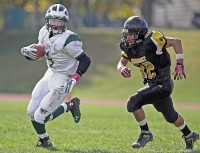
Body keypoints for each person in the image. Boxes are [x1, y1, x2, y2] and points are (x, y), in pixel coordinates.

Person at [117, 16, 199, 150]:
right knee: (170, 116)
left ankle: (145, 133)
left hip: (163, 84)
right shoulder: (128, 47)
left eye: (131, 34)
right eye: (127, 34)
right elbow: (121, 62)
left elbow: (176, 42)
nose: (128, 37)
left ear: (140, 33)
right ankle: (189, 135)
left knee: (133, 102)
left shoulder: (152, 40)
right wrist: (122, 68)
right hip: (153, 85)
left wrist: (180, 63)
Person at [21, 4, 91, 148]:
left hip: (63, 77)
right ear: (47, 20)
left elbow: (85, 60)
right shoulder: (43, 32)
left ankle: (70, 105)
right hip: (50, 73)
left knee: (41, 116)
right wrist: (32, 51)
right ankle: (44, 141)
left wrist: (75, 78)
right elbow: (43, 48)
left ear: (65, 22)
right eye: (53, 20)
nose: (55, 24)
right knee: (31, 111)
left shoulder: (70, 39)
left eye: (59, 21)